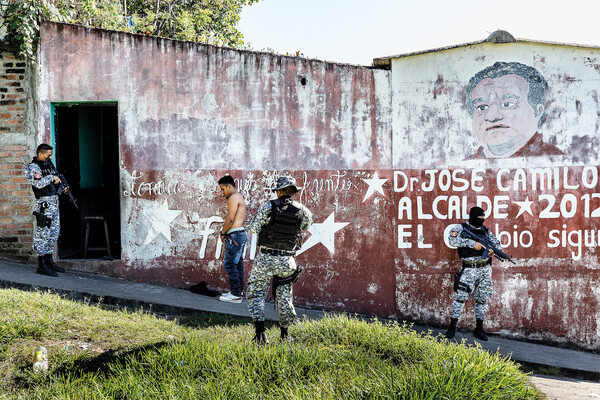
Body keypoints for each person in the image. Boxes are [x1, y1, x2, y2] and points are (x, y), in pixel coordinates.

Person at [246, 176, 312, 344]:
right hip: (287, 260)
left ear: (280, 191)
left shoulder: (268, 206)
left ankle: (261, 334)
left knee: (257, 293)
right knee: (284, 296)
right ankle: (285, 335)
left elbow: (253, 228)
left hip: (266, 257)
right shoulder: (303, 211)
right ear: (293, 192)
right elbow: (306, 226)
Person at [464, 61, 564, 159]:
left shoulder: (558, 159)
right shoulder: (463, 168)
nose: (492, 116)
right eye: (482, 107)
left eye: (507, 104)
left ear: (538, 111)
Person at [444, 206, 501, 341]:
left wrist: (493, 250)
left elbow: (498, 245)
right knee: (460, 297)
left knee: (482, 299)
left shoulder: (485, 231)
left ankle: (479, 329)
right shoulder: (460, 228)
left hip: (485, 269)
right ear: (472, 217)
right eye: (479, 219)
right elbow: (452, 240)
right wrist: (471, 243)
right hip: (469, 269)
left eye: (483, 219)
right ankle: (452, 328)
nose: (481, 221)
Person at [24, 143, 66, 277]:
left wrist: (61, 184)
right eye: (48, 155)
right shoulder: (33, 167)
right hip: (44, 205)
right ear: (40, 154)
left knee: (53, 232)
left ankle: (49, 261)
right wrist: (51, 178)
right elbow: (38, 183)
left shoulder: (48, 166)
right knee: (42, 234)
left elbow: (55, 180)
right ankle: (41, 264)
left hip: (54, 203)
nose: (50, 158)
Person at [217, 175, 247, 304]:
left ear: (229, 186)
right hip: (239, 234)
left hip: (234, 235)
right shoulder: (239, 196)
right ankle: (238, 292)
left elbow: (230, 219)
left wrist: (223, 233)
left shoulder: (233, 198)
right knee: (237, 264)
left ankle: (235, 294)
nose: (222, 192)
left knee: (230, 264)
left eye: (223, 189)